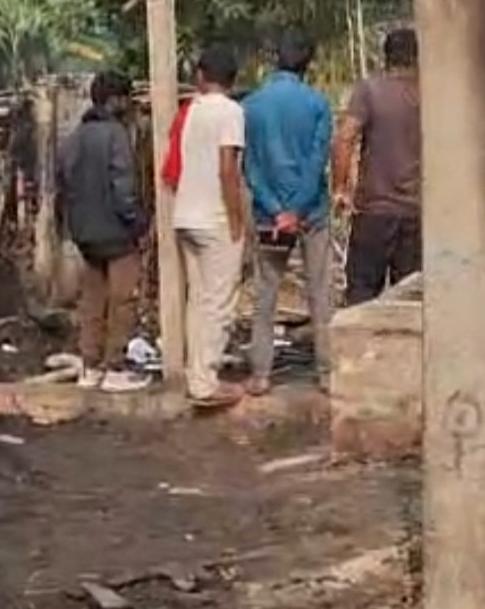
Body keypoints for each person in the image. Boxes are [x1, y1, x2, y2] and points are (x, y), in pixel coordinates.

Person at [243, 30, 333, 395]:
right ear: (308, 63)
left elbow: (250, 166)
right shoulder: (318, 103)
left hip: (269, 216)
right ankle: (327, 372)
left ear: (275, 59)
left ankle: (261, 374)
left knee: (265, 293)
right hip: (312, 213)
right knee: (320, 291)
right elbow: (317, 161)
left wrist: (276, 208)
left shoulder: (251, 105)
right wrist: (297, 208)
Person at [56, 70, 149, 392]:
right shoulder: (116, 135)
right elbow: (123, 187)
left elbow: (63, 187)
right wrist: (138, 223)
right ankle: (115, 366)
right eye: (126, 99)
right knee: (123, 300)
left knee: (92, 300)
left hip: (84, 233)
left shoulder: (73, 138)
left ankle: (90, 365)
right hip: (116, 232)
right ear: (115, 100)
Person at [171, 45, 247, 408]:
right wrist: (236, 218)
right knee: (220, 302)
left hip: (185, 214)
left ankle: (196, 375)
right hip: (214, 217)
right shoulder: (230, 112)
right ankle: (205, 383)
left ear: (201, 76)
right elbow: (227, 168)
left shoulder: (191, 110)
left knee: (198, 300)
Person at [332, 27, 421, 304]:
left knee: (362, 293)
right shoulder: (429, 94)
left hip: (374, 211)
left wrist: (340, 189)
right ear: (417, 57)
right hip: (416, 213)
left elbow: (345, 138)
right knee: (411, 297)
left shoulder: (369, 90)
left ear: (386, 57)